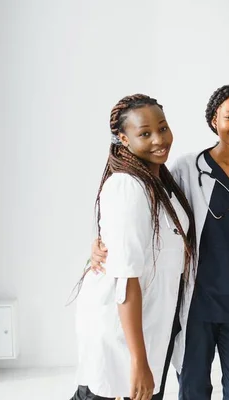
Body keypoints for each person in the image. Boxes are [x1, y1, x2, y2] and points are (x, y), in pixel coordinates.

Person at [91, 84, 229, 399]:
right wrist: (99, 243)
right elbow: (143, 215)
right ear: (214, 120)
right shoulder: (186, 169)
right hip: (197, 304)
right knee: (193, 391)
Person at [71, 94, 196, 400]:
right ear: (124, 140)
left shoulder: (160, 182)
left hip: (151, 325)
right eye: (145, 134)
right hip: (122, 332)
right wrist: (138, 360)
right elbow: (126, 279)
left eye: (163, 128)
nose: (159, 139)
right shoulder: (128, 186)